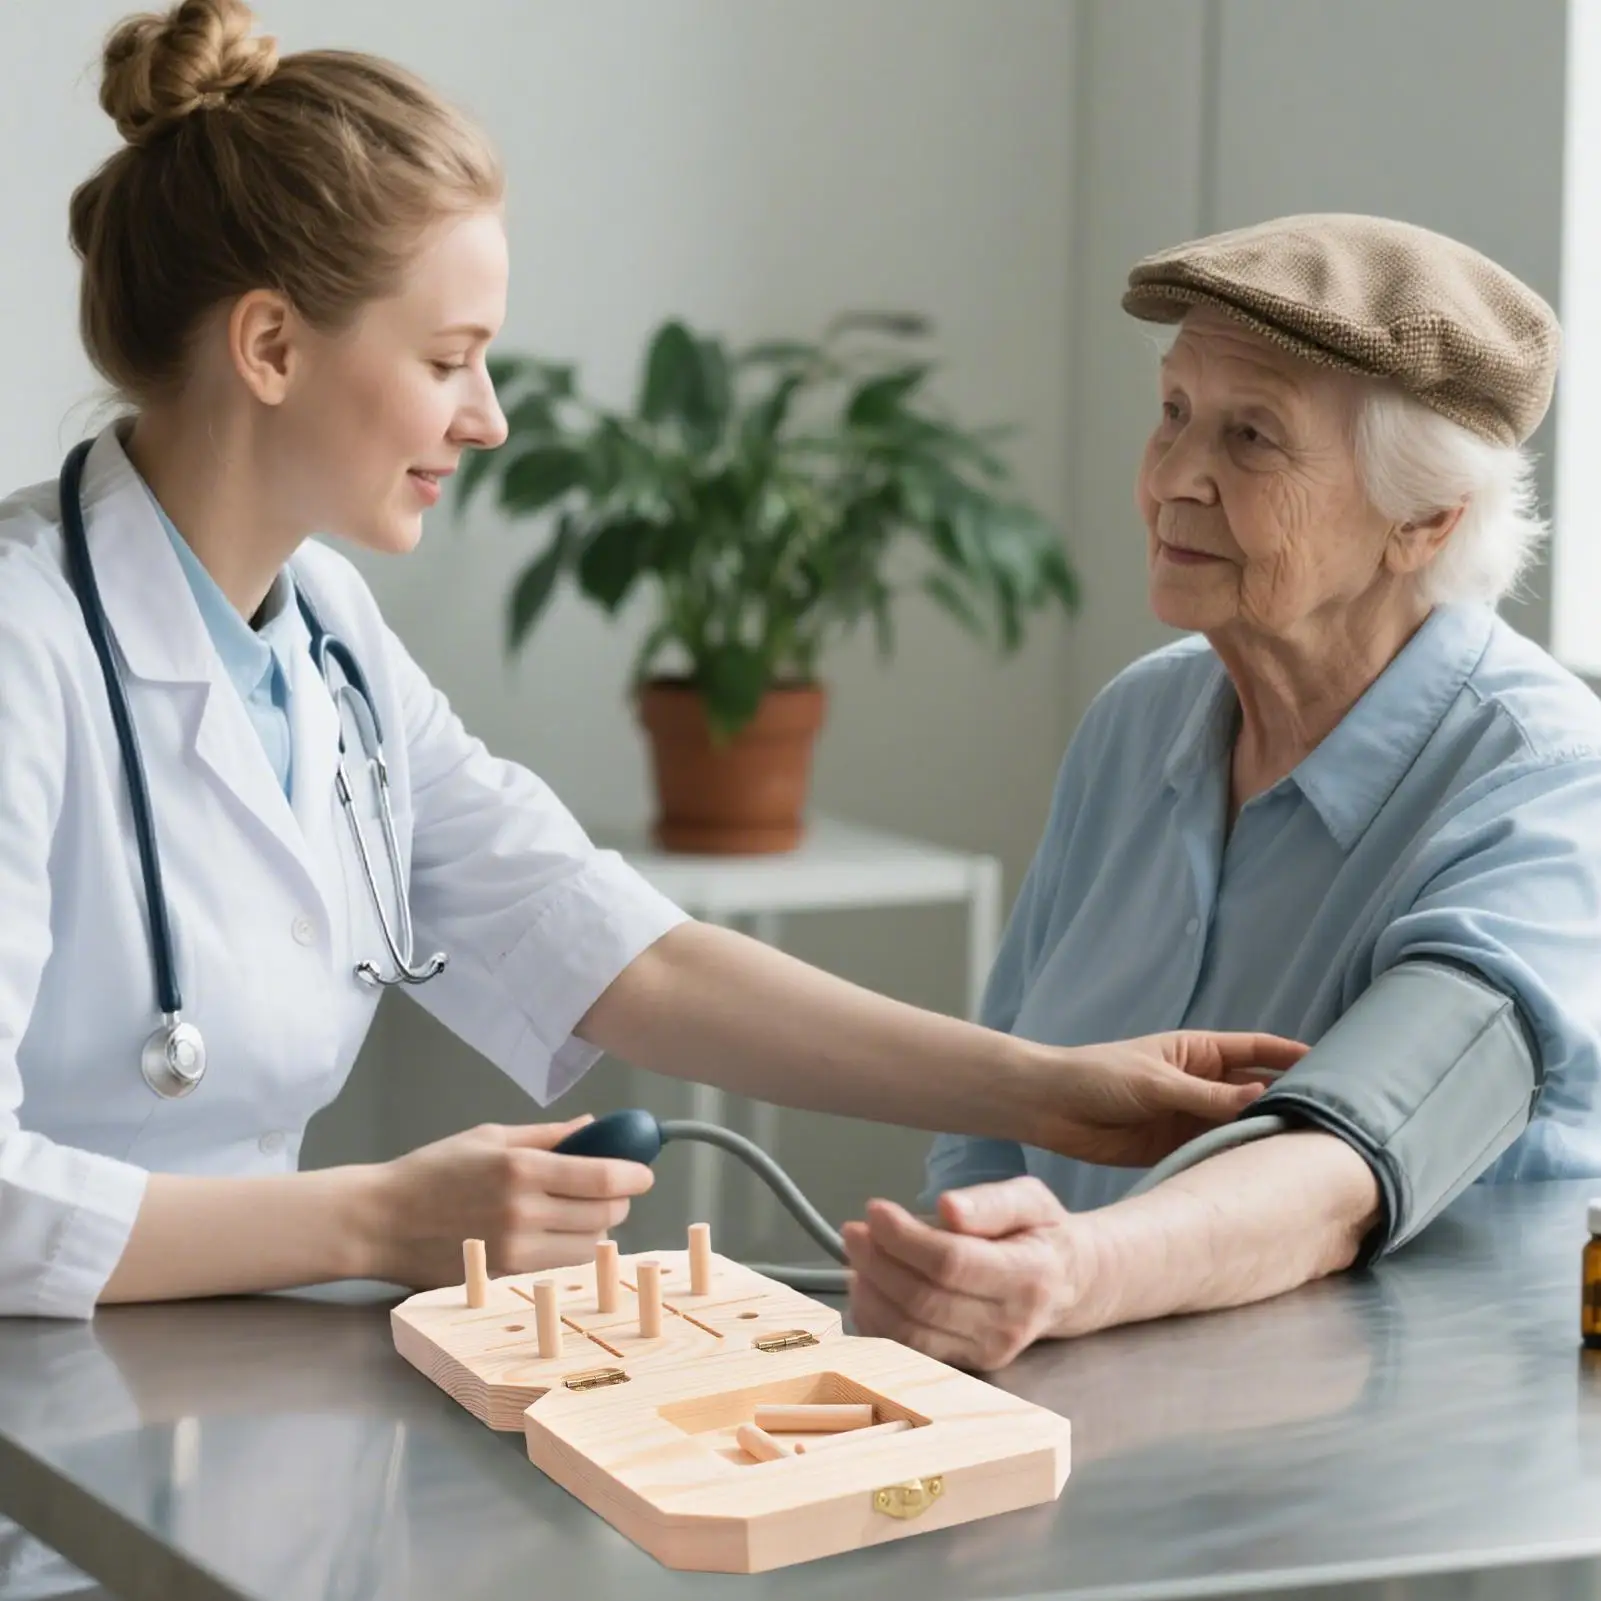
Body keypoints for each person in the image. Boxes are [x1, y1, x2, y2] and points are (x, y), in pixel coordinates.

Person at [0, 0, 1301, 1324]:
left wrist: (1050, 1088)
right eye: (449, 358)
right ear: (271, 346)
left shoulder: (324, 636)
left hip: (201, 1390)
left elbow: (624, 957)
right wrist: (382, 1218)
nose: (489, 417)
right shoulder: (20, 650)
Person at [846, 212, 1601, 1371]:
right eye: (1172, 413)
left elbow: (1353, 1151)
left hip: (1367, 1488)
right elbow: (994, 1127)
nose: (1172, 479)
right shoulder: (1137, 722)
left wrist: (1063, 1272)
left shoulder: (1546, 781)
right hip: (1059, 1423)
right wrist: (955, 1291)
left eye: (1251, 437)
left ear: (1425, 520)